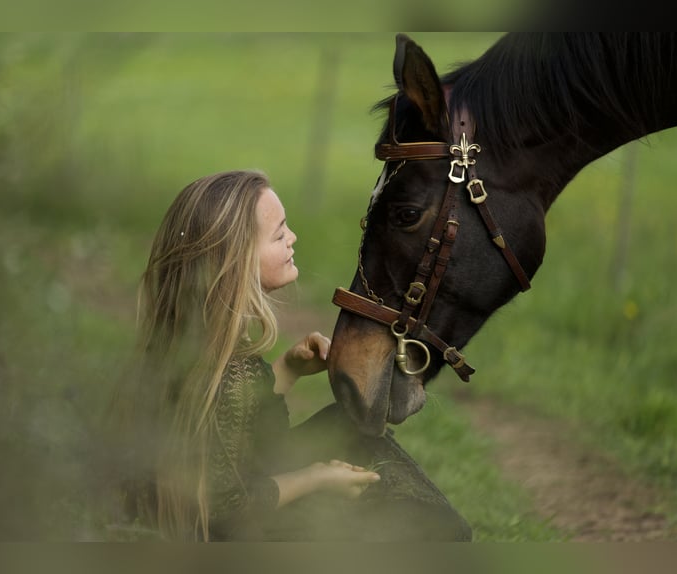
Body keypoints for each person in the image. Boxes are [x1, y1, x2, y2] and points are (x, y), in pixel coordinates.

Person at [106, 169, 471, 542]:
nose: (292, 237)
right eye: (279, 234)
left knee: (342, 424)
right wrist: (315, 479)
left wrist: (288, 369)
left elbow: (236, 429)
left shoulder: (192, 345)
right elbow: (225, 507)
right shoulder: (229, 371)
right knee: (392, 500)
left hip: (196, 520)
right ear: (237, 261)